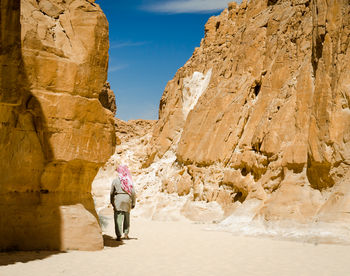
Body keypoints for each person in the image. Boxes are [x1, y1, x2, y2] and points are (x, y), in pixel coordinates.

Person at [110, 164, 136, 241]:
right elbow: (133, 193)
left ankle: (118, 236)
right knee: (127, 217)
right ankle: (126, 234)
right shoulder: (129, 181)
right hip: (127, 199)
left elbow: (111, 192)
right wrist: (133, 203)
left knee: (118, 218)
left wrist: (112, 201)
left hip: (118, 199)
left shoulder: (115, 180)